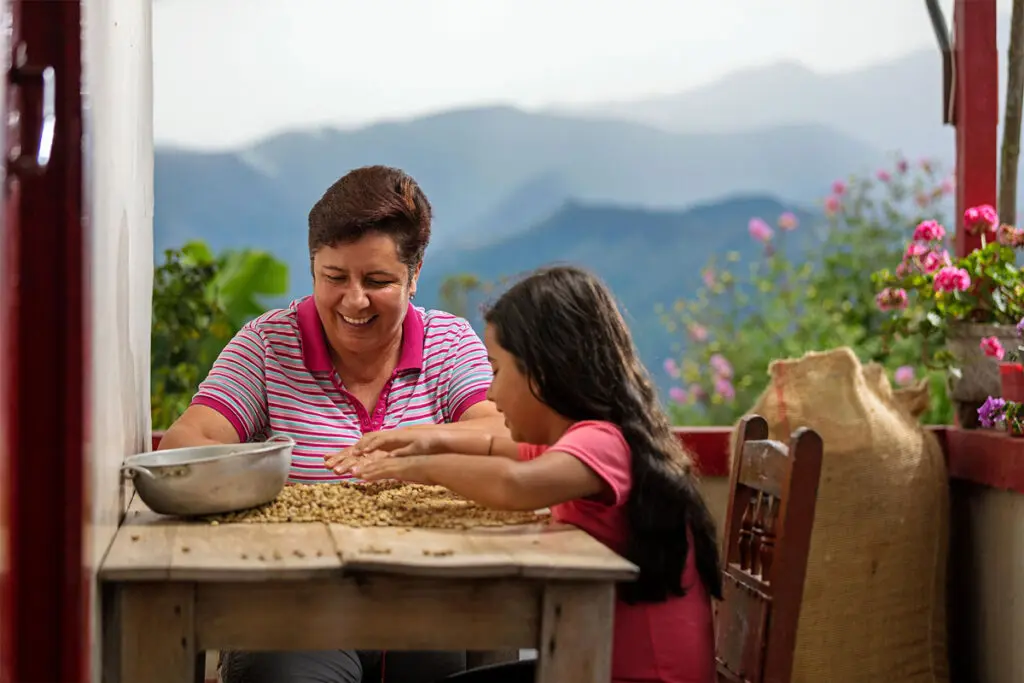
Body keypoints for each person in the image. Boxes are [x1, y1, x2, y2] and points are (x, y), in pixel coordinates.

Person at [158, 165, 507, 683]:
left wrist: (421, 450)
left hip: (427, 598)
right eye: (335, 278)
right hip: (292, 607)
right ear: (312, 267)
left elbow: (499, 435)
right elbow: (190, 442)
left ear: (414, 274)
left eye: (379, 281)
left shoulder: (448, 343)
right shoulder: (267, 345)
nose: (355, 301)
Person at [328, 265, 723, 683]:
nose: (492, 395)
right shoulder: (591, 442)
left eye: (497, 371)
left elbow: (516, 484)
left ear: (544, 372)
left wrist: (416, 468)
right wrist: (428, 439)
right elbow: (499, 449)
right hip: (596, 662)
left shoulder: (602, 441)